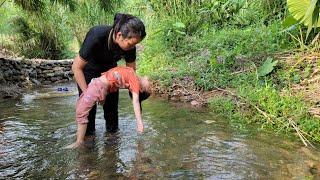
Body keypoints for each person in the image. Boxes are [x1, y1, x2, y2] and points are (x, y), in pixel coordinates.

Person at [72, 13, 146, 135]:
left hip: (110, 73)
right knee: (89, 112)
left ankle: (112, 146)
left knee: (112, 113)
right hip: (88, 70)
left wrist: (139, 114)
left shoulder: (130, 47)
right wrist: (87, 94)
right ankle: (87, 147)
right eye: (130, 44)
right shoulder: (97, 35)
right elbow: (76, 67)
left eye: (135, 44)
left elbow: (131, 74)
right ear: (119, 35)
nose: (133, 47)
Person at [67, 66, 151, 148]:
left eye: (149, 87)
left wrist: (139, 122)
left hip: (98, 86)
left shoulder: (135, 82)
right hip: (98, 85)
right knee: (80, 106)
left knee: (81, 111)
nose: (150, 83)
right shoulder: (132, 74)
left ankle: (79, 142)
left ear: (141, 90)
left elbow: (135, 101)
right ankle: (80, 138)